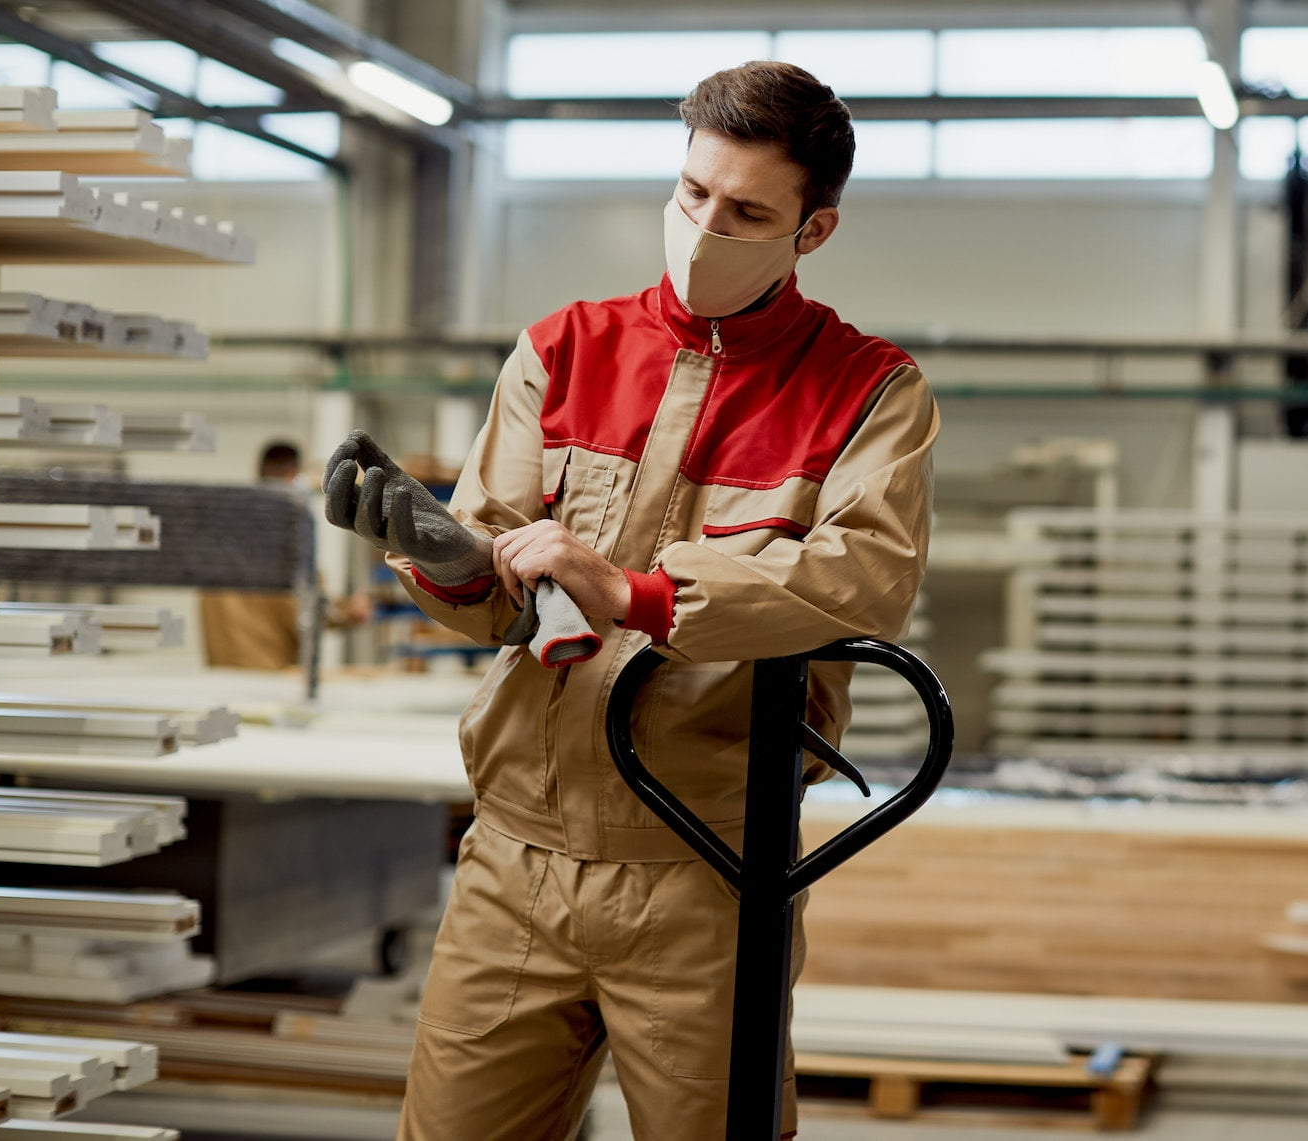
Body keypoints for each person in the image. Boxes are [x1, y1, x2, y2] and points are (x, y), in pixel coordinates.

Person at [324, 62, 937, 1141]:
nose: (705, 226)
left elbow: (864, 578)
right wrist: (444, 557)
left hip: (706, 871)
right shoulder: (562, 349)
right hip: (515, 858)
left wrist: (637, 591)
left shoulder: (869, 389)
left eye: (747, 211)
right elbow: (500, 609)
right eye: (693, 192)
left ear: (814, 229)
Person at [198, 441, 371, 668]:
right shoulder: (282, 533)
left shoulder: (222, 528)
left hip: (220, 672)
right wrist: (349, 611)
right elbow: (305, 608)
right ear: (293, 475)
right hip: (267, 675)